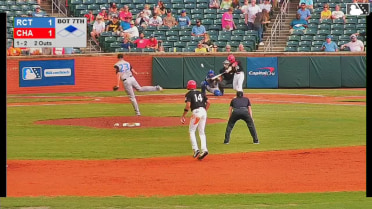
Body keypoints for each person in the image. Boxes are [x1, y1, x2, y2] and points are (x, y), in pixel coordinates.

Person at [180, 80, 211, 160]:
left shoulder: (189, 94)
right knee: (202, 132)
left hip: (196, 112)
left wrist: (183, 115)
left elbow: (188, 105)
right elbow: (209, 102)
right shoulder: (201, 93)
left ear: (188, 86)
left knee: (192, 131)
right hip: (203, 112)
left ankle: (195, 149)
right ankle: (204, 150)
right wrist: (204, 111)